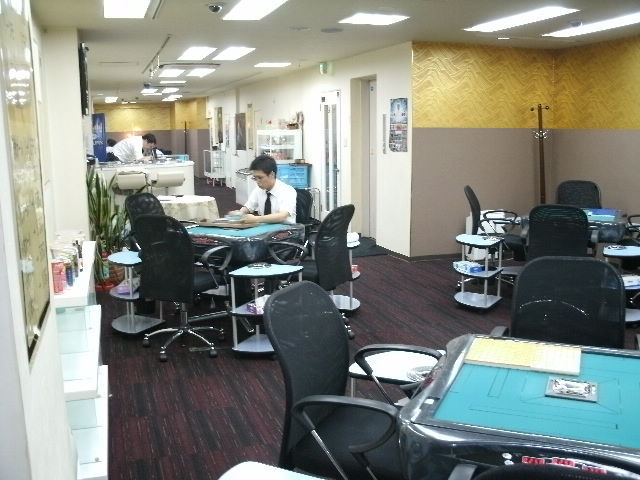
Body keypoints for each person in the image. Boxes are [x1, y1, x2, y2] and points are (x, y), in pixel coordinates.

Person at [233, 154, 297, 224]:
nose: (257, 182)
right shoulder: (259, 189)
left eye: (260, 178)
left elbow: (282, 216)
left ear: (272, 174)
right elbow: (248, 207)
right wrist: (239, 213)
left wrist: (256, 219)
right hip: (265, 228)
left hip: (285, 229)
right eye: (255, 178)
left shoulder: (287, 191)